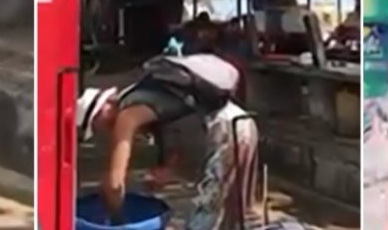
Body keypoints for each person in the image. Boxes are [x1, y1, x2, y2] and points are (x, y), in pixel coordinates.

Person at [78, 54, 260, 230]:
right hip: (242, 125)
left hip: (227, 132)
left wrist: (114, 212)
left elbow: (115, 184)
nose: (100, 131)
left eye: (95, 125)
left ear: (103, 109)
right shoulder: (145, 95)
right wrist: (167, 168)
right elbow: (176, 133)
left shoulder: (127, 115)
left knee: (207, 214)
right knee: (235, 215)